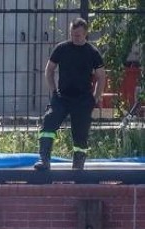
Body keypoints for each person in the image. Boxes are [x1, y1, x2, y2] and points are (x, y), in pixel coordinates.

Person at [34, 18, 106, 171]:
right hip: (62, 97)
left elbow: (101, 77)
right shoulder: (62, 49)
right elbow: (49, 70)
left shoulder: (92, 52)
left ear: (85, 34)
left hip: (83, 99)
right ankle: (44, 160)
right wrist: (54, 91)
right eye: (72, 35)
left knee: (80, 133)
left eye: (78, 35)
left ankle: (78, 166)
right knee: (49, 121)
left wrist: (95, 98)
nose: (75, 38)